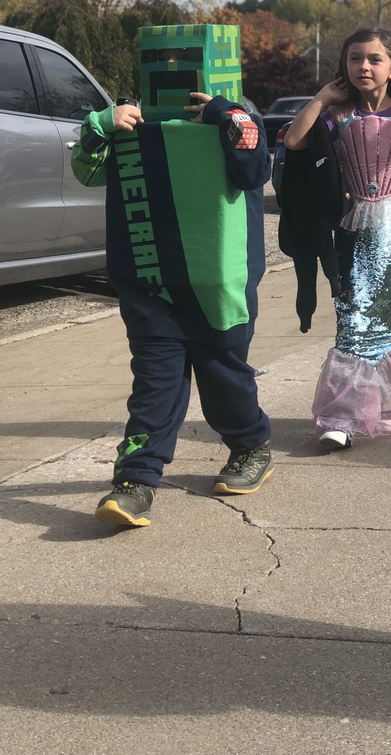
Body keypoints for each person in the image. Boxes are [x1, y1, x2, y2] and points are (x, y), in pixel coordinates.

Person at [71, 91, 274, 527]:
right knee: (154, 386)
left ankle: (250, 446)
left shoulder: (236, 122)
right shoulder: (134, 130)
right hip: (150, 283)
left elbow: (255, 165)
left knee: (225, 379)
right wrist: (103, 122)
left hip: (219, 285)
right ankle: (136, 480)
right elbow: (85, 171)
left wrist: (224, 112)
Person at [283, 27, 391, 451]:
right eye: (354, 58)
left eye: (374, 59)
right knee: (355, 310)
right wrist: (323, 98)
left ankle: (342, 417)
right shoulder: (337, 114)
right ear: (343, 66)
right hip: (352, 226)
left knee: (380, 316)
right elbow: (294, 139)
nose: (364, 66)